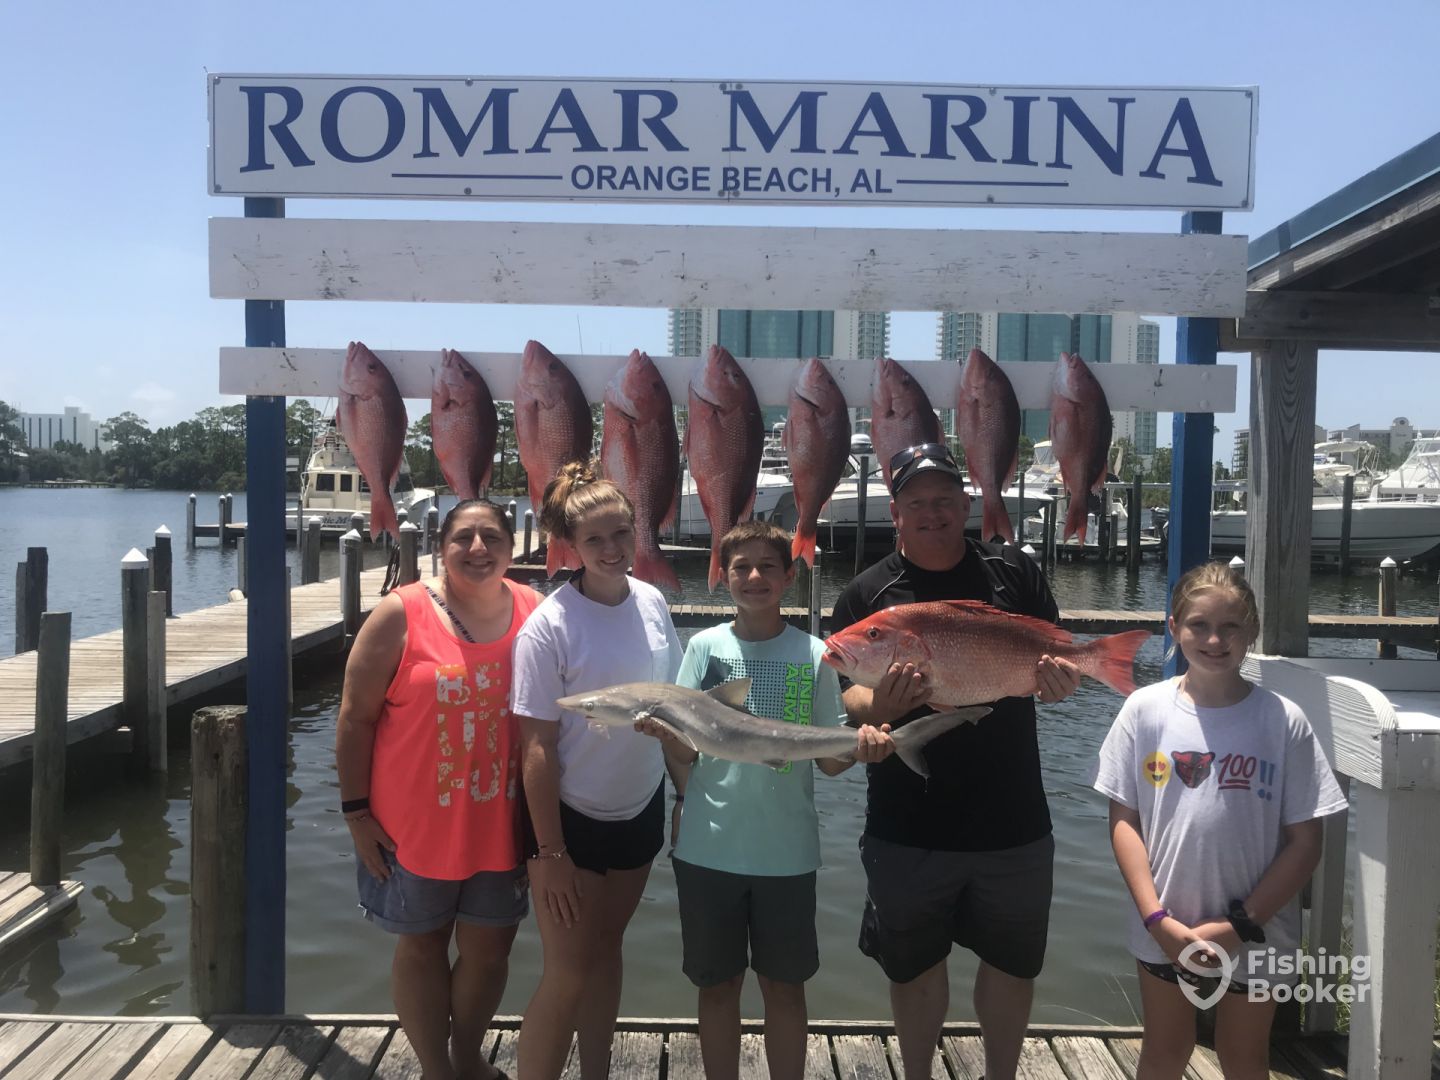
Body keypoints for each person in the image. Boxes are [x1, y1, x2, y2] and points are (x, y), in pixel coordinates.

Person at [830, 442, 1084, 1080]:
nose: (933, 512)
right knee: (913, 970)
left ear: (966, 503)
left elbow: (1055, 658)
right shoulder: (868, 594)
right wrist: (879, 704)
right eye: (917, 502)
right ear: (896, 513)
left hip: (1013, 819)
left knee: (1011, 966)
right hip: (907, 822)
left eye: (944, 499)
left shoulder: (1014, 573)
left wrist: (1063, 681)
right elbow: (848, 695)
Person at [644, 521, 894, 1080]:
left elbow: (829, 761)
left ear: (789, 576)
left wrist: (863, 748)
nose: (754, 576)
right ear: (723, 575)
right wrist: (667, 735)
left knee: (785, 988)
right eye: (741, 567)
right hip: (707, 849)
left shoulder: (815, 654)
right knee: (717, 987)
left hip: (786, 853)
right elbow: (683, 754)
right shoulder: (703, 648)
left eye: (767, 567)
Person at [1092, 563, 1346, 1079]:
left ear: (1251, 632)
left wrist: (1239, 925)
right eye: (1199, 625)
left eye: (1231, 627)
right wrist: (1156, 919)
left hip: (1258, 930)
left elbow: (1306, 841)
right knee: (1164, 1050)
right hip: (1167, 926)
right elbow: (1124, 821)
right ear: (1173, 627)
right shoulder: (1144, 710)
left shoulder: (1283, 720)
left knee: (1246, 1056)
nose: (1214, 640)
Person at [336, 499, 541, 1080]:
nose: (478, 549)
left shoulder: (535, 610)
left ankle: (466, 1056)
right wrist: (356, 814)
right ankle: (436, 1069)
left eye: (492, 537)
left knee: (490, 951)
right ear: (440, 547)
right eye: (463, 537)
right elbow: (355, 718)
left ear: (511, 547)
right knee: (422, 946)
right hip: (411, 829)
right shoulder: (399, 614)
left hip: (503, 823)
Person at [511, 460, 685, 1080]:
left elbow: (673, 708)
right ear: (570, 545)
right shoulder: (549, 627)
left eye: (621, 534)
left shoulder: (653, 601)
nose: (612, 550)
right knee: (567, 972)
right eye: (595, 539)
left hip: (639, 808)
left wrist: (684, 795)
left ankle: (596, 1072)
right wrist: (551, 852)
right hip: (569, 821)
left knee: (608, 951)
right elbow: (535, 746)